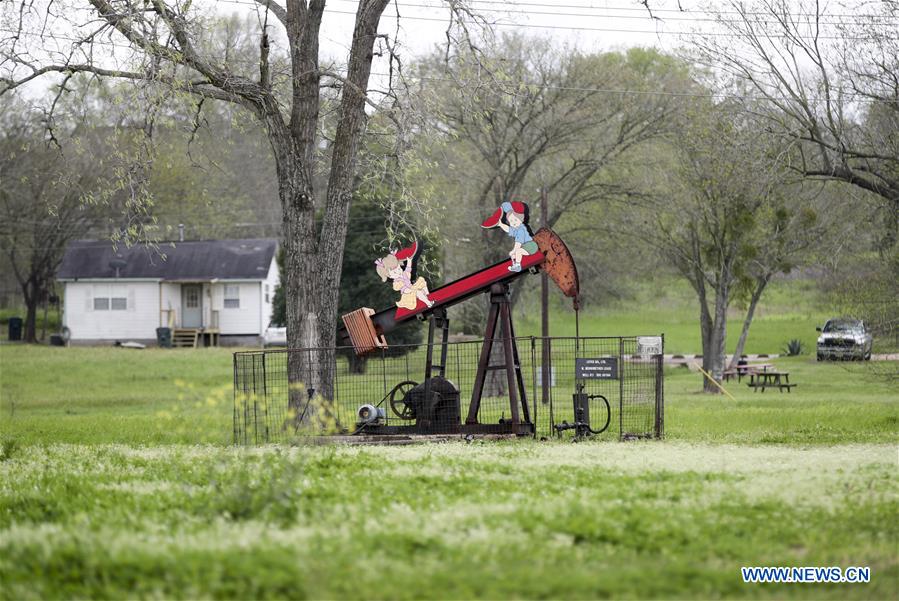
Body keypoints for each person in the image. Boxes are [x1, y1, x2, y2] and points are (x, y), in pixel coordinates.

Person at [482, 201, 538, 272]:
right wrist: (501, 224)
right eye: (511, 221)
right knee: (514, 255)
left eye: (515, 220)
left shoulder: (521, 230)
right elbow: (509, 229)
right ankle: (515, 265)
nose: (513, 222)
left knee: (518, 251)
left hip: (531, 245)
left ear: (521, 219)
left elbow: (518, 242)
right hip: (525, 246)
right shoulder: (516, 229)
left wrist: (514, 250)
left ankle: (518, 266)